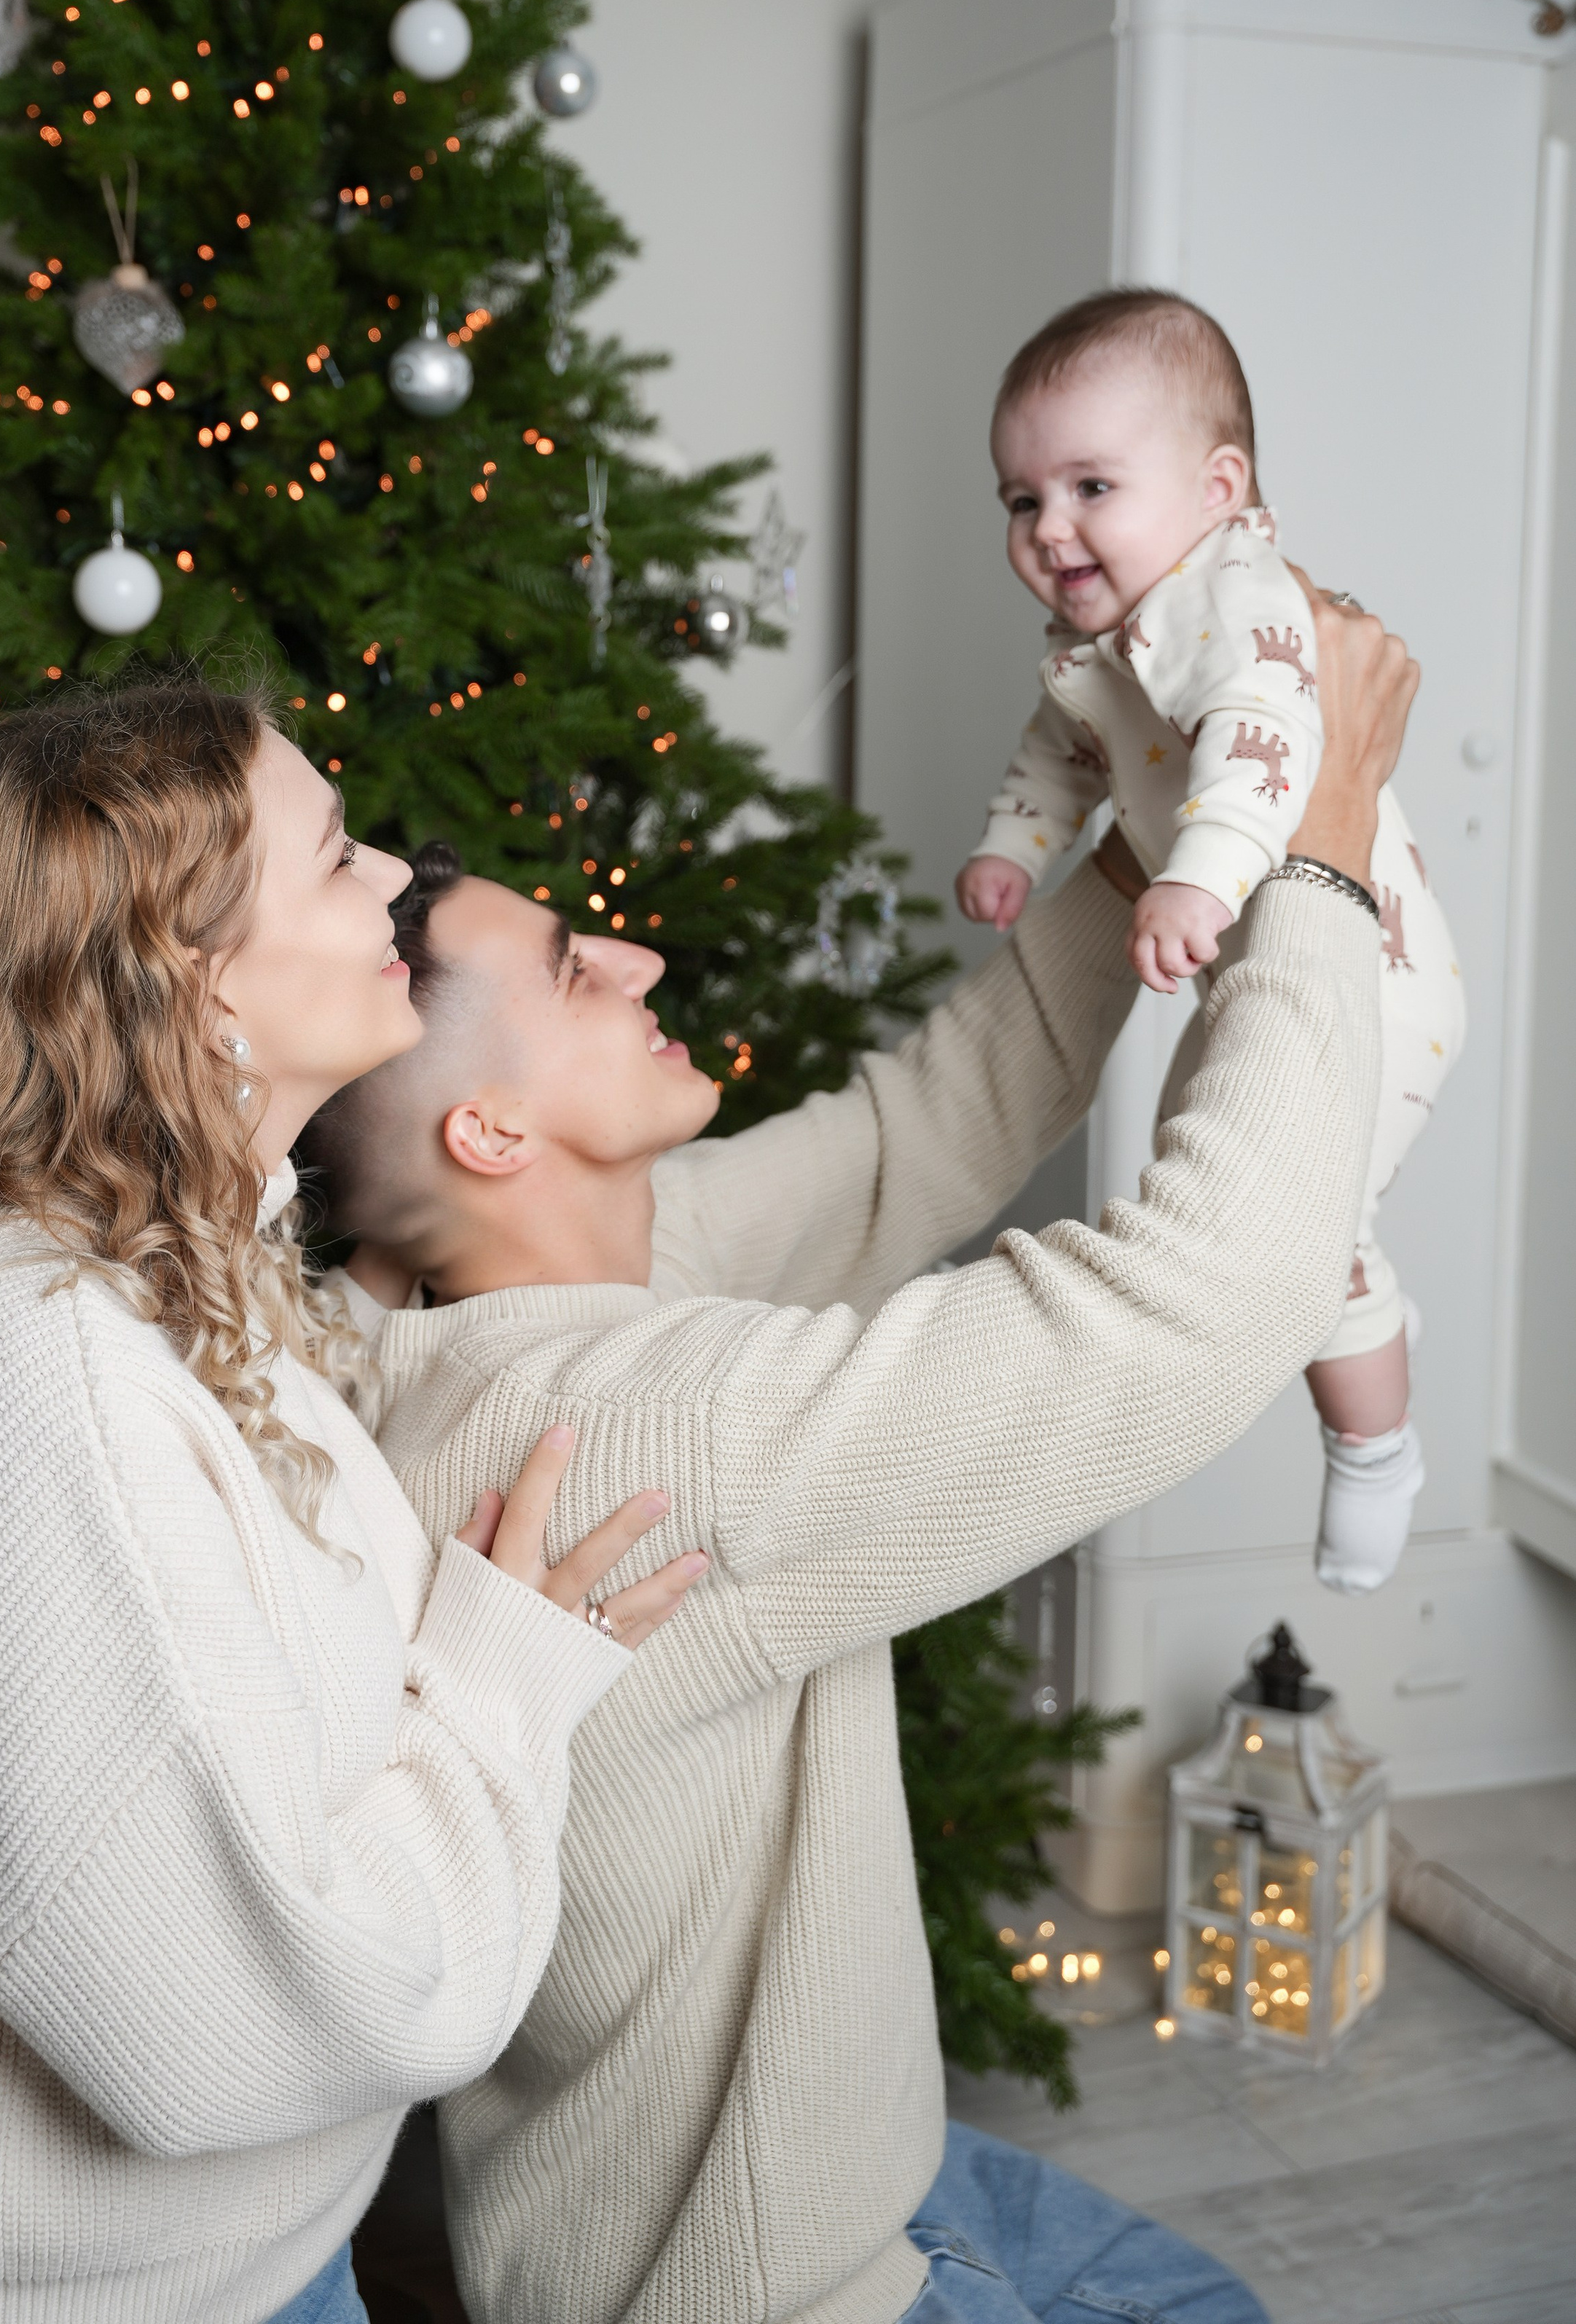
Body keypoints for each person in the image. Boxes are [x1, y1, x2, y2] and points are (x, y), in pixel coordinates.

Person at [302, 584, 1416, 2324]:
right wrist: (1326, 848)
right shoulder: (643, 1437)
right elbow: (1205, 1300)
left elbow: (921, 1129)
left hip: (823, 2201)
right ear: (489, 1127)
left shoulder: (462, 1328)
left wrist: (1182, 821)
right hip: (787, 2291)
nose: (641, 960)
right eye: (571, 969)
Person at [0, 683, 704, 2324]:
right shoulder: (50, 1379)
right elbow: (245, 2020)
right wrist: (494, 1682)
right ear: (189, 973)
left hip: (222, 2274)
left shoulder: (194, 1287)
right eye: (332, 859)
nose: (392, 874)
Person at [957, 287, 1462, 1593]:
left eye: (1090, 487)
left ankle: (1377, 1445)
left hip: (1376, 974)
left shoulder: (1237, 601)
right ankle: (1363, 1364)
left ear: (1218, 485)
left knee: (1297, 1230)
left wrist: (1200, 879)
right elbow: (1061, 753)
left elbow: (1268, 742)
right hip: (1248, 959)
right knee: (1214, 1180)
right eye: (1023, 499)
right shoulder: (1096, 634)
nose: (1050, 527)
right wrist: (1016, 851)